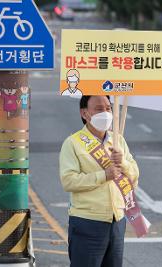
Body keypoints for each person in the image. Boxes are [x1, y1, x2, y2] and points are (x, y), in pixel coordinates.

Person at [59, 96, 139, 267]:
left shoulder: (118, 141)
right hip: (87, 221)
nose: (105, 113)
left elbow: (134, 177)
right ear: (84, 113)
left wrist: (122, 162)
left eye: (108, 108)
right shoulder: (73, 143)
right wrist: (104, 175)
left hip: (117, 220)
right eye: (99, 109)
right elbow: (69, 181)